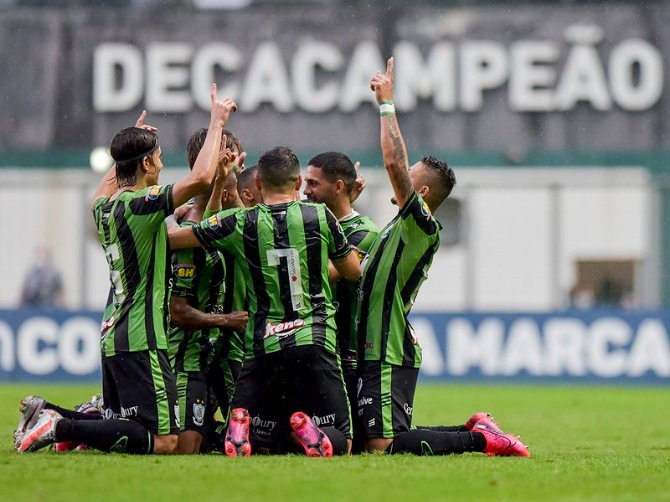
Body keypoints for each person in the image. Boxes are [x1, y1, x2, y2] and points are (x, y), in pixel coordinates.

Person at [15, 84, 238, 455]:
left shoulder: (103, 207)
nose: (163, 164)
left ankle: (50, 414)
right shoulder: (141, 205)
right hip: (142, 336)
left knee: (123, 425)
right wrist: (216, 123)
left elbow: (105, 189)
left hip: (112, 334)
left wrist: (128, 147)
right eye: (159, 158)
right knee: (165, 441)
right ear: (148, 164)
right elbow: (199, 180)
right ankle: (59, 425)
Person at [356, 58, 529, 457]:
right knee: (376, 440)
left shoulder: (421, 226)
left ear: (425, 194)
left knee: (383, 445)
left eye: (411, 178)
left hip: (387, 347)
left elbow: (393, 162)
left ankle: (480, 440)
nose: (401, 178)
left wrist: (386, 106)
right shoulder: (397, 227)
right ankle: (477, 429)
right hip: (372, 346)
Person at [168, 146, 361, 457]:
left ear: (257, 184)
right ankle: (307, 429)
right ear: (298, 183)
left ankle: (241, 426)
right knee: (343, 440)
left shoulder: (239, 221)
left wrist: (173, 217)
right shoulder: (320, 216)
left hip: (263, 345)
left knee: (263, 440)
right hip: (314, 338)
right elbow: (353, 271)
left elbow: (175, 239)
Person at [168, 127, 248, 454]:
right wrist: (226, 320)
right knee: (181, 445)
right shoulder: (180, 223)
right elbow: (177, 309)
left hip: (220, 347)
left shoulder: (210, 215)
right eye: (230, 158)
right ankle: (80, 421)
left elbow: (217, 224)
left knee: (223, 437)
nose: (238, 165)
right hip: (195, 348)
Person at [302, 151, 379, 445]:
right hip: (309, 343)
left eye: (312, 183)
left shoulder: (364, 232)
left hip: (343, 352)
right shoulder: (312, 220)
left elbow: (330, 273)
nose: (305, 191)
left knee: (358, 443)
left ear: (337, 187)